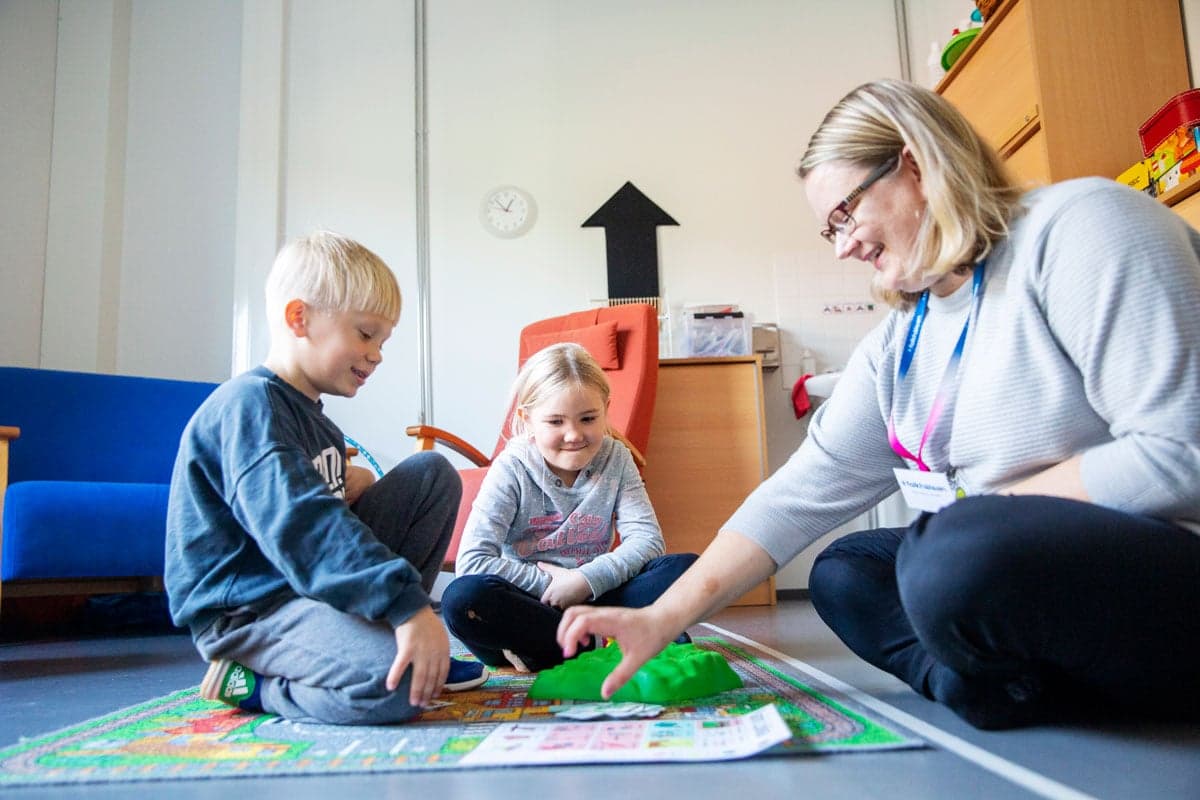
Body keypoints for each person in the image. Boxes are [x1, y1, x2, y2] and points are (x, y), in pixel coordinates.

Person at [558, 78, 1200, 730]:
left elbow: (1182, 453)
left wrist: (982, 515)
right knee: (849, 571)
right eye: (827, 231)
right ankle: (990, 690)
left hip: (1159, 559)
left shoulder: (1085, 226)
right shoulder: (903, 338)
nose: (842, 246)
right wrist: (659, 618)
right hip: (1015, 570)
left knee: (951, 556)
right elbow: (796, 497)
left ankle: (1028, 671)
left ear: (917, 166)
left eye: (845, 214)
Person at [165, 231, 488, 726]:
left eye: (383, 341)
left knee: (430, 474)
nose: (377, 354)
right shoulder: (249, 406)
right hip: (251, 610)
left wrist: (346, 487)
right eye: (365, 334)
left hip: (304, 589)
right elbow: (304, 526)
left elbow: (320, 513)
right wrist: (409, 608)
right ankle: (254, 683)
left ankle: (383, 638)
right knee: (398, 687)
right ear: (301, 318)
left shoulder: (321, 424)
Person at [441, 342, 698, 673]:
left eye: (588, 418)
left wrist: (583, 580)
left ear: (606, 408)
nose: (574, 434)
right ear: (528, 419)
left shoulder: (617, 457)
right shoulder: (512, 468)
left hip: (597, 594)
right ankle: (601, 642)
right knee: (463, 599)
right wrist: (552, 586)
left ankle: (559, 649)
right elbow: (474, 561)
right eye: (555, 422)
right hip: (532, 603)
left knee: (688, 570)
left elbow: (647, 541)